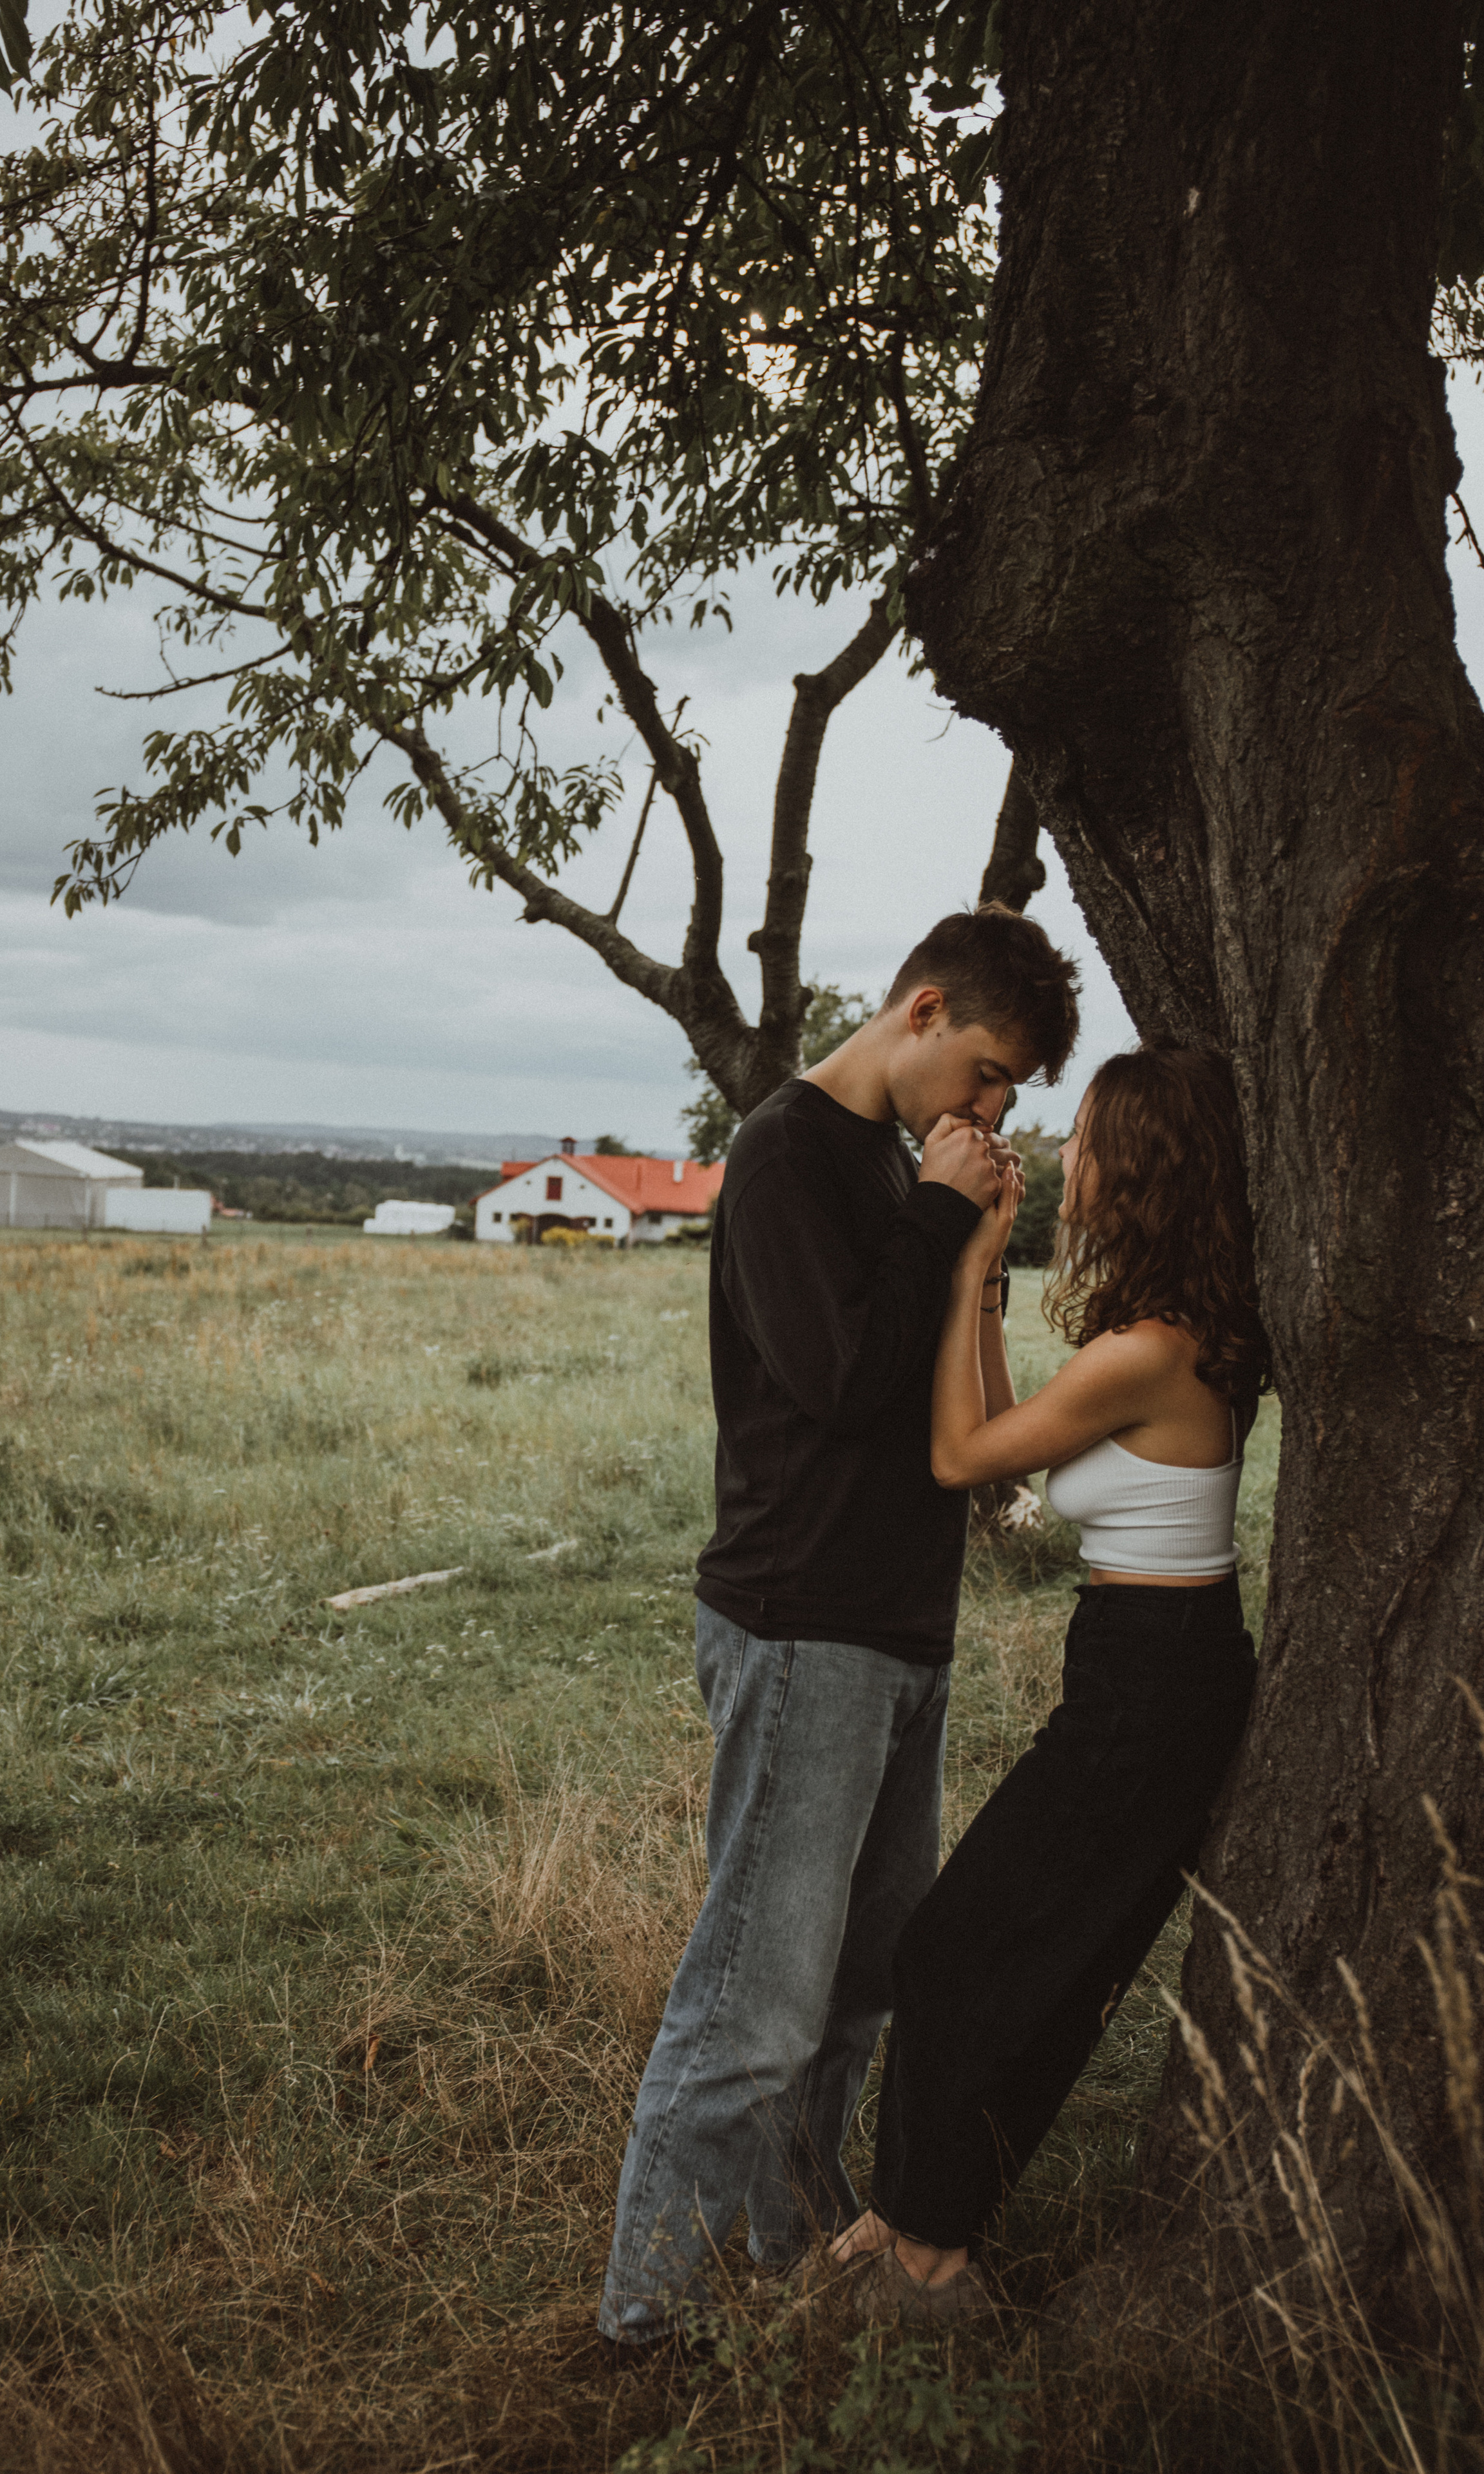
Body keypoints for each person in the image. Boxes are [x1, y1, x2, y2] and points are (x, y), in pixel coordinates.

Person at [597, 905, 1082, 2357]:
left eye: (1012, 1098)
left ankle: (784, 2242)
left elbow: (941, 1403)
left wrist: (974, 1236)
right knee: (751, 2002)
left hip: (895, 1632)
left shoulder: (890, 1161)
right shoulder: (786, 1154)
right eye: (990, 1073)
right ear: (921, 1011)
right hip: (801, 1620)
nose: (992, 1110)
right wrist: (940, 1210)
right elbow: (842, 1384)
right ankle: (648, 2327)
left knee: (861, 1981)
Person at [817, 1043, 1270, 2328]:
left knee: (956, 1948)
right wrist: (979, 1288)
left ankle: (930, 2248)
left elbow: (958, 1455)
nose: (1062, 1155)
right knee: (1036, 1960)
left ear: (1129, 1168)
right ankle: (921, 2219)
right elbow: (1012, 1455)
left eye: (1079, 1139)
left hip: (1150, 1685)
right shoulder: (1149, 1343)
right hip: (1142, 1673)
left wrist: (963, 1256)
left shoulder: (1149, 1352)